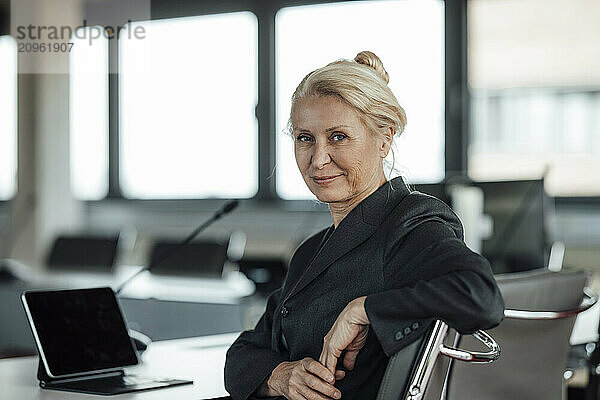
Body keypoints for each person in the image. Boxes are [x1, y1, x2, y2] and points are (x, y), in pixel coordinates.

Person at [224, 51, 505, 400]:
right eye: (304, 138)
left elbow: (481, 297)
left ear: (384, 139)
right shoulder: (312, 250)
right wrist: (279, 375)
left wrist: (364, 310)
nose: (318, 158)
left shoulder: (410, 222)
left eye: (338, 136)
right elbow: (241, 354)